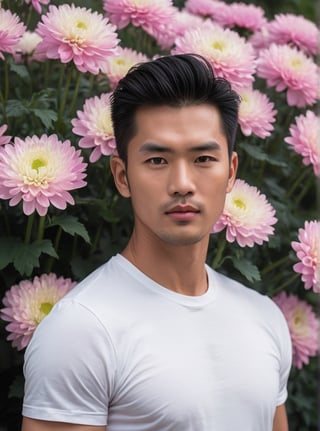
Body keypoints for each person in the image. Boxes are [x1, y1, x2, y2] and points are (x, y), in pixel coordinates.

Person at [21, 54, 292, 431]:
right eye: (157, 161)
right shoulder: (81, 331)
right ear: (122, 175)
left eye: (202, 158)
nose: (182, 182)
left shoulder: (264, 317)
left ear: (230, 172)